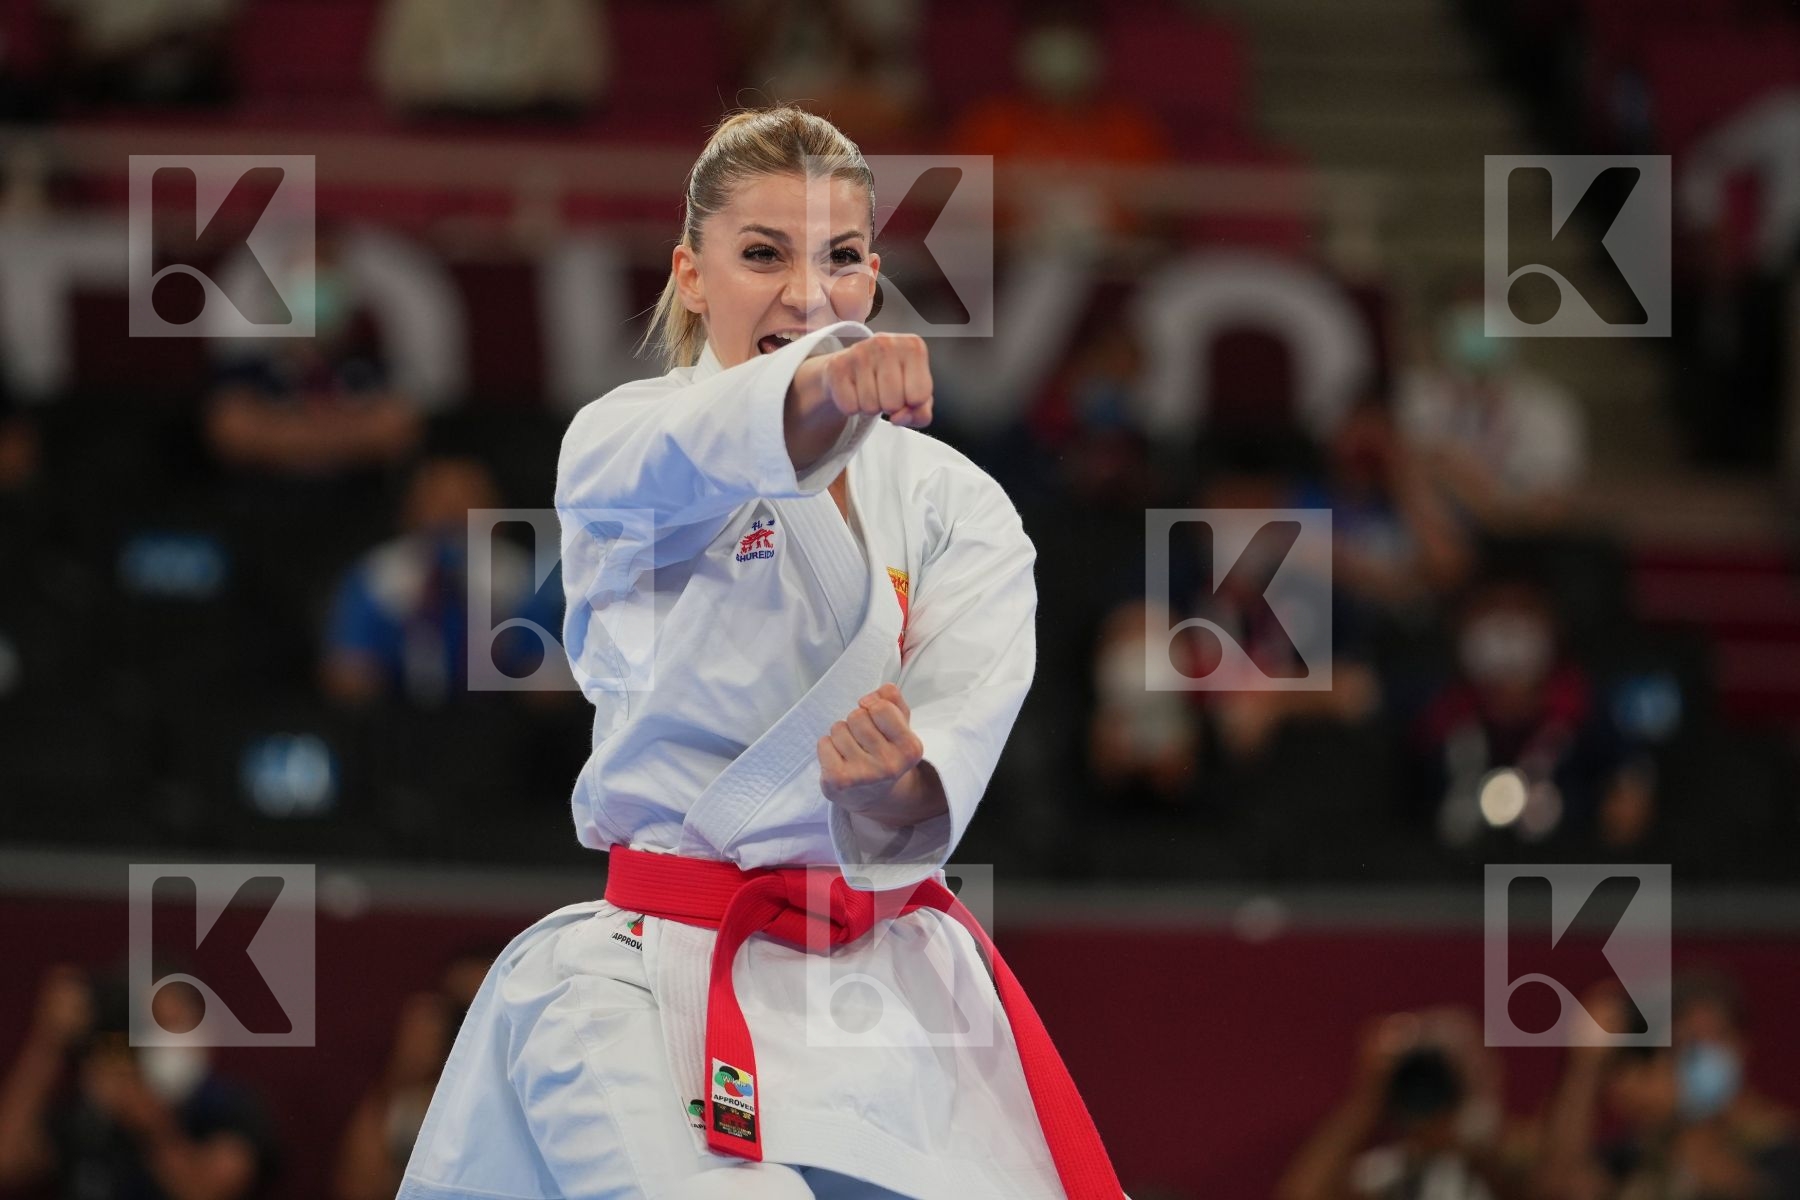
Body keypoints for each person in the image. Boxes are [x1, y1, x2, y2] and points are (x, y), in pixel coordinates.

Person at [396, 105, 1123, 1199]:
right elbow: (696, 458)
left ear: (872, 278)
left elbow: (951, 737)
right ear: (692, 276)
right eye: (761, 255)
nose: (804, 292)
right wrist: (822, 388)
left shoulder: (955, 505)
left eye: (836, 259)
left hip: (889, 986)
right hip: (653, 976)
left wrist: (889, 788)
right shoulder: (621, 442)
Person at [0, 962, 279, 1199]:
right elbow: (7, 1161)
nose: (156, 1043)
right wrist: (49, 1042)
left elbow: (207, 1190)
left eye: (168, 1024)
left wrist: (151, 1123)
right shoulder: (90, 1117)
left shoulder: (231, 1107)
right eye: (145, 1027)